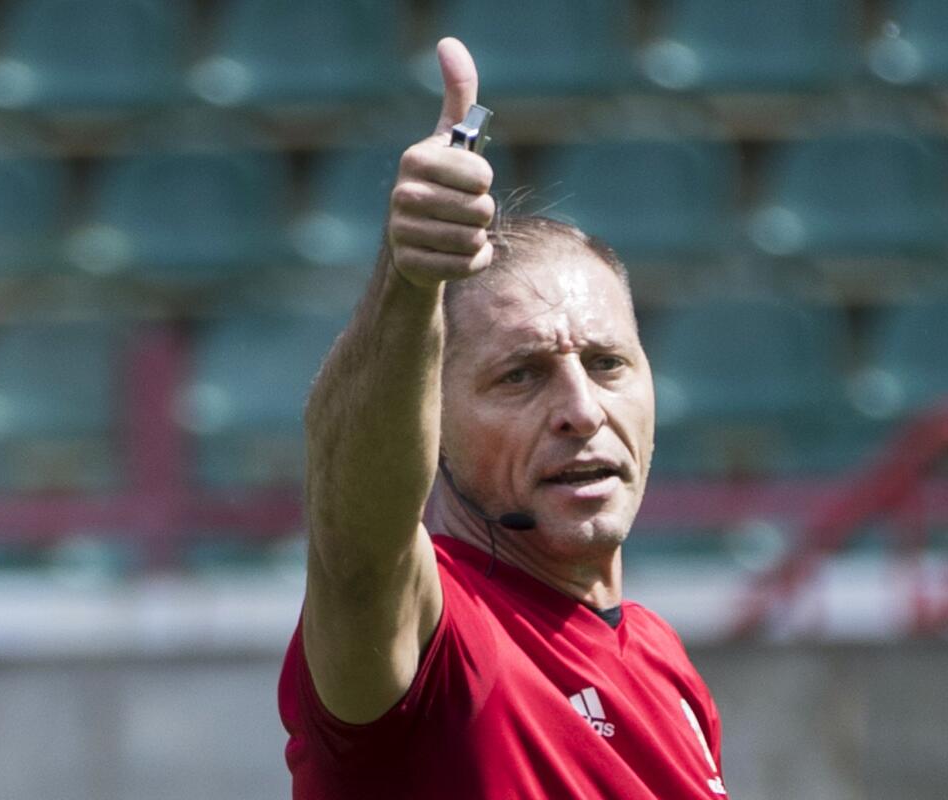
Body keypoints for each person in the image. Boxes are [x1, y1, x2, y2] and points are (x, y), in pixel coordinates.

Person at [279, 38, 729, 799]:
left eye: (608, 364)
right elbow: (355, 545)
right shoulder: (435, 640)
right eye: (520, 376)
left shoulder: (661, 659)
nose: (582, 411)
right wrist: (408, 278)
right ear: (434, 418)